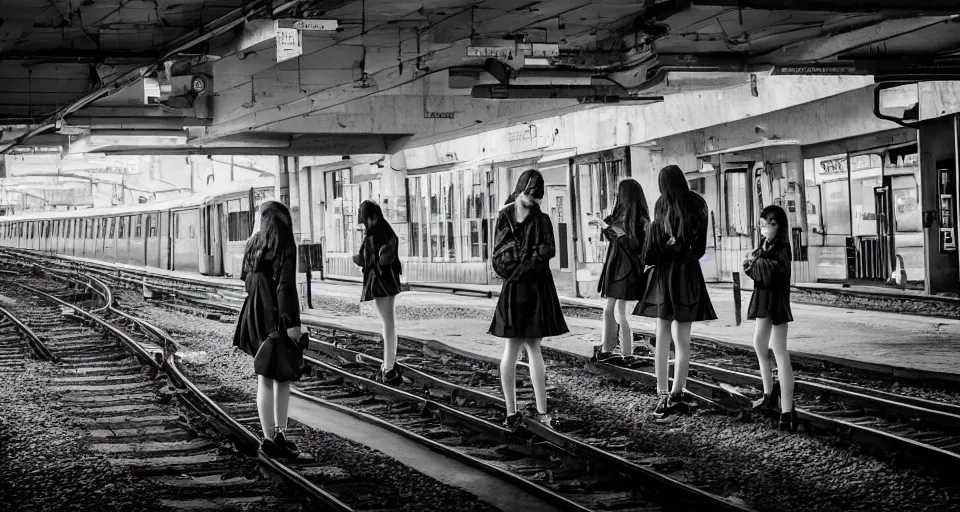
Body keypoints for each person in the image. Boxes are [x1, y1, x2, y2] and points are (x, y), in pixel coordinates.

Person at [634, 165, 718, 417]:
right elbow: (701, 248)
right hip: (688, 274)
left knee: (662, 337)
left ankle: (661, 394)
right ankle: (677, 393)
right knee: (683, 339)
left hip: (664, 275)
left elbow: (652, 249)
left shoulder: (661, 204)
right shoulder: (698, 203)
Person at [489, 169, 569, 431]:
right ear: (521, 191)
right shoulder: (538, 220)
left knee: (521, 350)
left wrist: (525, 258)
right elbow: (546, 251)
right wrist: (534, 255)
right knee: (525, 350)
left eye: (535, 197)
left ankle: (516, 412)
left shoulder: (506, 217)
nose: (532, 201)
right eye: (529, 195)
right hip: (534, 286)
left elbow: (507, 258)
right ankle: (531, 411)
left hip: (518, 287)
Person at [233, 200, 308, 459]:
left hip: (253, 315)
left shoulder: (253, 243)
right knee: (283, 378)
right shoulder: (285, 244)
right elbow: (286, 287)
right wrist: (294, 325)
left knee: (264, 377)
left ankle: (268, 439)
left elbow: (245, 280)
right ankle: (280, 435)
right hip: (275, 317)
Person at [743, 204, 798, 431]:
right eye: (763, 224)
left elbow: (774, 271)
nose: (765, 228)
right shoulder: (765, 245)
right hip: (764, 298)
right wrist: (753, 263)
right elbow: (758, 269)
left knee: (779, 350)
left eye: (770, 224)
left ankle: (786, 411)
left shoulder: (782, 247)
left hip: (775, 301)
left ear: (779, 226)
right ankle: (768, 394)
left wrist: (755, 263)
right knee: (759, 343)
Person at [594, 179, 650, 367]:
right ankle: (610, 349)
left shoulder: (635, 217)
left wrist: (614, 232)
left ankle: (623, 351)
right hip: (620, 268)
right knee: (613, 310)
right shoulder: (633, 215)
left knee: (618, 312)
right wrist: (608, 228)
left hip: (623, 269)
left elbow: (632, 244)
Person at [353, 200, 403, 385]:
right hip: (388, 282)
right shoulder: (386, 230)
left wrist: (360, 258)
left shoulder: (374, 234)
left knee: (388, 325)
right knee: (388, 324)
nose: (365, 223)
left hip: (380, 283)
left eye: (365, 219)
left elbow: (366, 258)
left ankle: (388, 367)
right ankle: (388, 365)